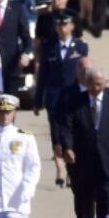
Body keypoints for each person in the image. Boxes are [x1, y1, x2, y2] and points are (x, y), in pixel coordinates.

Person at [59, 66, 109, 218]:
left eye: (98, 84)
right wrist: (68, 148)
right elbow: (67, 127)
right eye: (91, 84)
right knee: (84, 199)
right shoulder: (75, 101)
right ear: (86, 84)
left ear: (105, 83)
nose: (95, 87)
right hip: (82, 160)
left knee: (106, 196)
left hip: (108, 159)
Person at [34, 11, 87, 187]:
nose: (61, 28)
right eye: (58, 25)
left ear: (71, 26)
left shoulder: (80, 47)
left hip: (74, 97)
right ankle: (60, 169)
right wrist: (37, 100)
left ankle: (72, 169)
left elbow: (84, 74)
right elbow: (42, 75)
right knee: (56, 133)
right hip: (54, 98)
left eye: (64, 24)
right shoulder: (48, 47)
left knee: (72, 132)